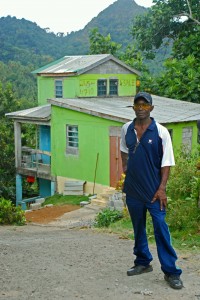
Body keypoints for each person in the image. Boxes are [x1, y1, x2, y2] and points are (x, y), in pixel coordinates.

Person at [120, 91, 183, 289]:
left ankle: (171, 272)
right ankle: (142, 262)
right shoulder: (126, 129)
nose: (140, 108)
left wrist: (162, 189)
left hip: (155, 192)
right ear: (133, 107)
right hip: (133, 190)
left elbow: (167, 163)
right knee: (138, 227)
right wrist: (126, 171)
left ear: (151, 108)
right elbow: (124, 151)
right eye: (137, 105)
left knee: (160, 228)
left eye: (145, 105)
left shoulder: (161, 132)